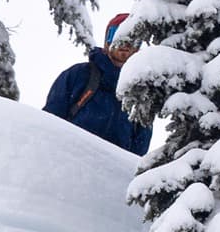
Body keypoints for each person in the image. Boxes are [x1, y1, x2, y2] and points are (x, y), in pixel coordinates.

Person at [43, 13, 152, 156]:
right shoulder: (79, 74)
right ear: (107, 42)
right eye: (117, 36)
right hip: (69, 161)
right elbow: (50, 121)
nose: (125, 44)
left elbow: (139, 149)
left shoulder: (142, 92)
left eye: (133, 39)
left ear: (138, 46)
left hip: (111, 172)